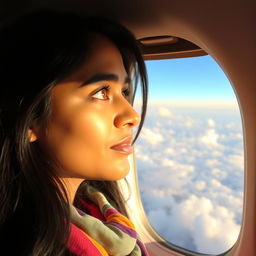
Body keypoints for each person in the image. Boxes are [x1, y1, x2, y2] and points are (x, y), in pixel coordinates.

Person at [0, 10, 148, 256]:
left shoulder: (96, 214)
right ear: (30, 119)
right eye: (101, 91)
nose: (132, 116)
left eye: (124, 92)